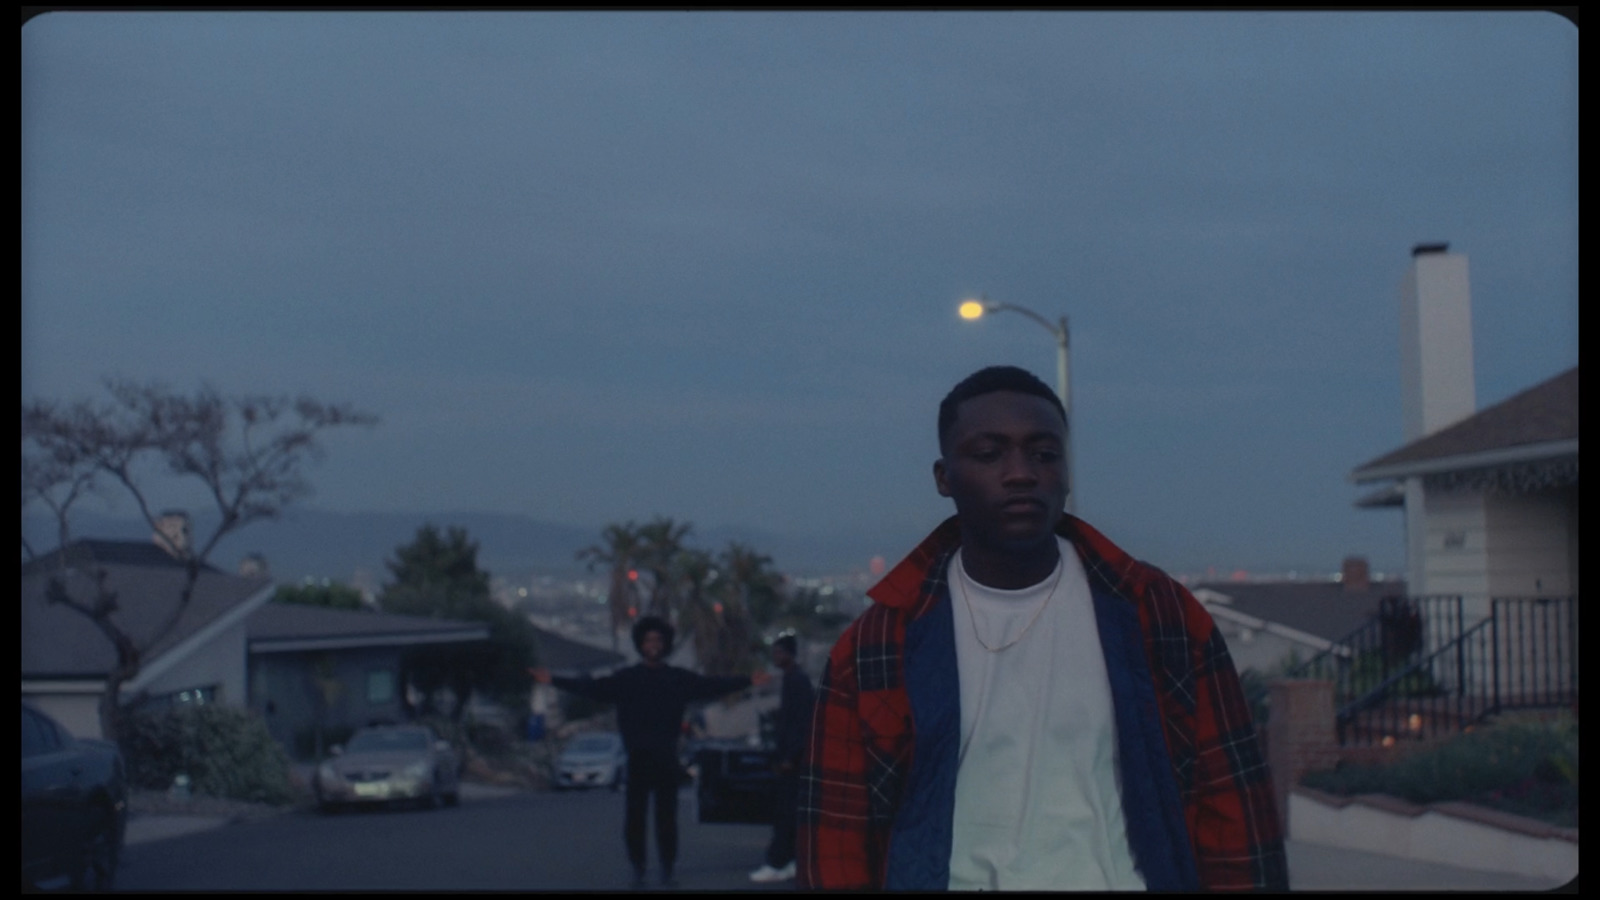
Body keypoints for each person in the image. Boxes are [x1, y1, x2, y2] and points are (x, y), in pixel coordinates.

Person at [797, 366, 1288, 891]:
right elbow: (836, 842)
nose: (1021, 473)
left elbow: (1232, 808)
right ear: (944, 478)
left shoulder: (1158, 614)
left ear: (1067, 473)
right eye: (989, 454)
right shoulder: (877, 645)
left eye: (1044, 454)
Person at [532, 616, 770, 888]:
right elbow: (592, 688)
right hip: (637, 759)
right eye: (648, 640)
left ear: (665, 644)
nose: (653, 645)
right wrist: (553, 680)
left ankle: (667, 867)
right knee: (635, 818)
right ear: (640, 644)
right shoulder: (627, 679)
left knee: (666, 818)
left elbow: (711, 685)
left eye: (658, 640)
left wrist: (748, 681)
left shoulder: (677, 679)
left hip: (666, 758)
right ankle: (638, 865)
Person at [749, 634, 815, 884]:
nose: (775, 658)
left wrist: (790, 756)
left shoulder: (796, 681)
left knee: (785, 814)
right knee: (788, 814)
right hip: (792, 757)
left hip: (793, 760)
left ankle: (777, 862)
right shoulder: (792, 679)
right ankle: (789, 861)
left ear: (790, 654)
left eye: (779, 653)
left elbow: (800, 723)